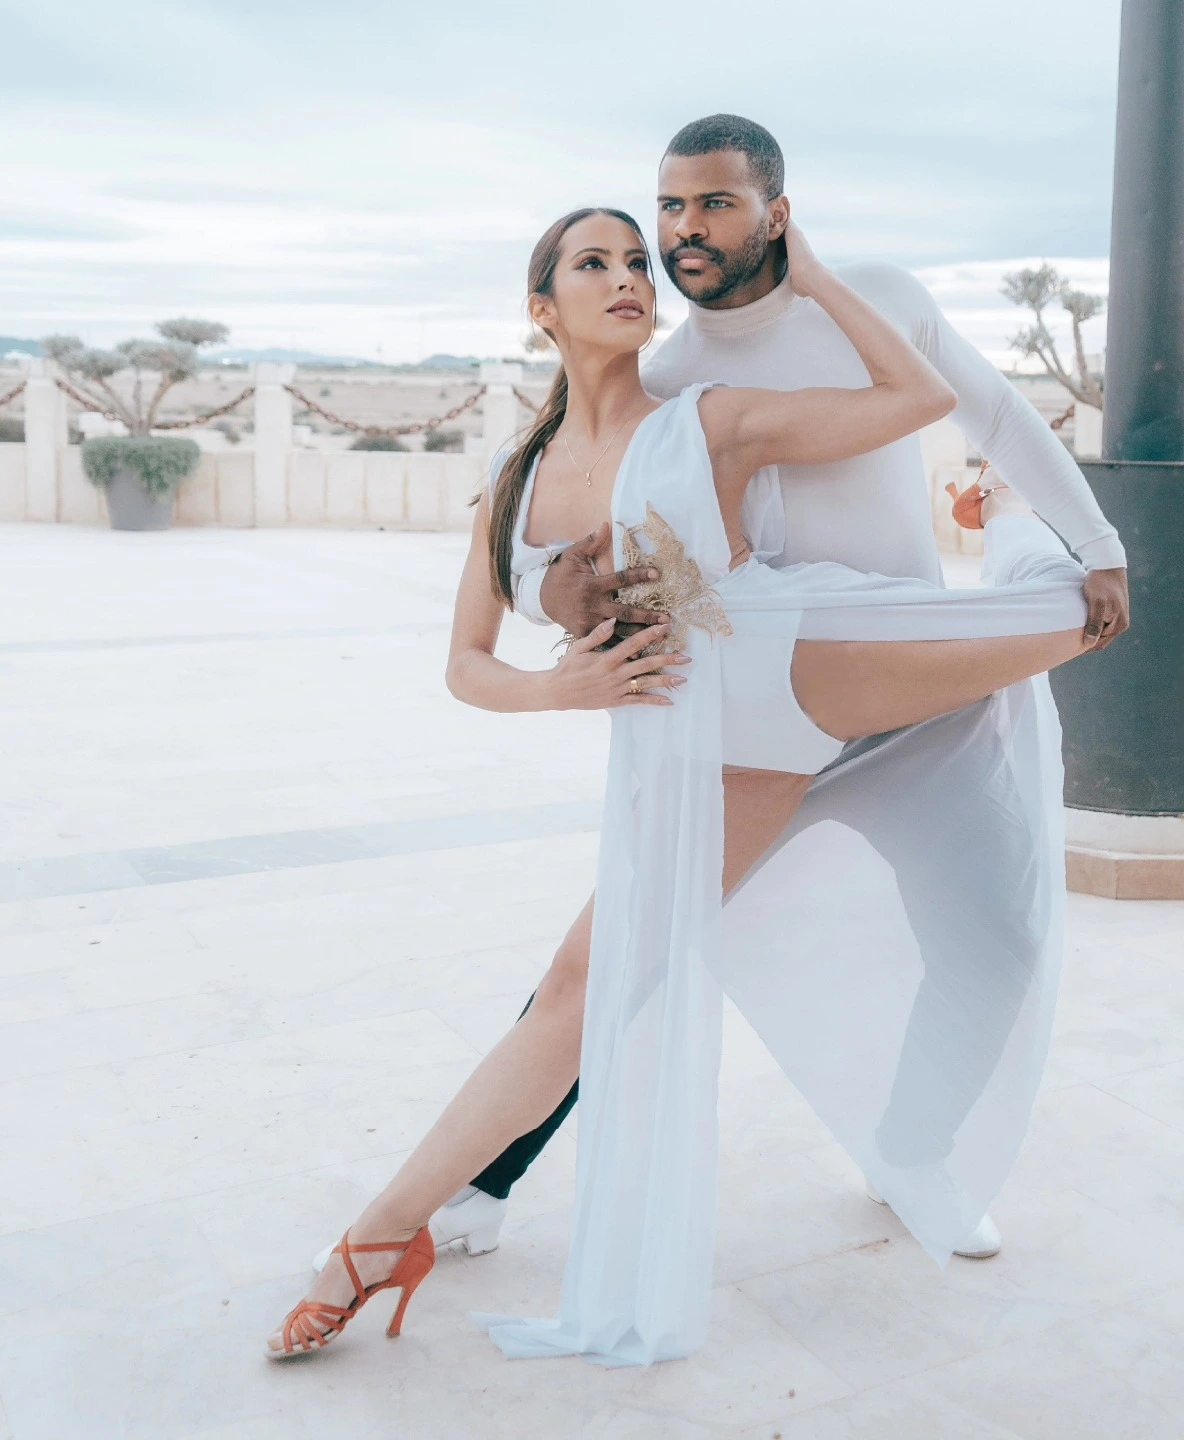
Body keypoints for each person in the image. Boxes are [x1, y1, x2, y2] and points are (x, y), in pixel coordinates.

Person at [267, 200, 1096, 1365]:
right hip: (718, 743)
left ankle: (1004, 520)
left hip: (808, 655)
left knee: (1070, 615)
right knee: (586, 982)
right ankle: (386, 1235)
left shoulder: (704, 414)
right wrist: (561, 685)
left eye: (634, 261)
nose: (627, 276)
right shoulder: (518, 475)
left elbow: (919, 399)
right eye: (593, 262)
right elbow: (466, 662)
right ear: (541, 309)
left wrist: (816, 274)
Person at [429, 114, 1129, 1265]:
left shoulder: (881, 301)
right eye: (670, 205)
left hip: (907, 700)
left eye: (714, 203)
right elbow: (571, 539)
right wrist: (559, 599)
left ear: (777, 211)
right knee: (625, 950)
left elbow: (993, 414)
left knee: (996, 943)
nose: (684, 229)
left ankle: (910, 1155)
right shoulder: (669, 381)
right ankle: (482, 1178)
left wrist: (1094, 543)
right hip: (752, 719)